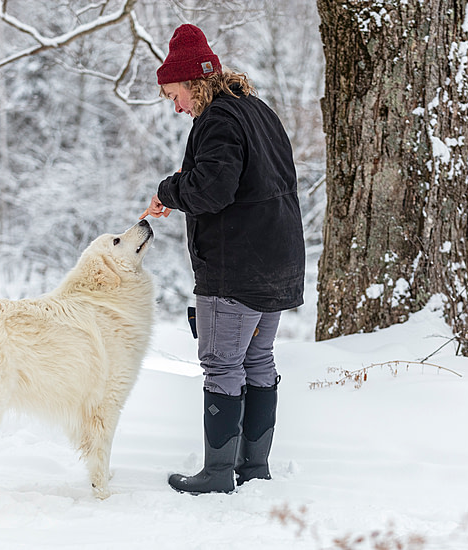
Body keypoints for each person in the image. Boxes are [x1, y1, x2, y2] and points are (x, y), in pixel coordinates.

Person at [140, 24, 305, 495]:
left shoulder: (216, 120)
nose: (175, 106)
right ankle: (252, 468)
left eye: (174, 94)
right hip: (277, 263)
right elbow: (245, 179)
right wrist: (188, 176)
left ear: (194, 82)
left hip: (235, 269)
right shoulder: (256, 110)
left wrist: (170, 188)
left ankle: (216, 475)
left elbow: (212, 190)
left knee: (221, 365)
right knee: (256, 362)